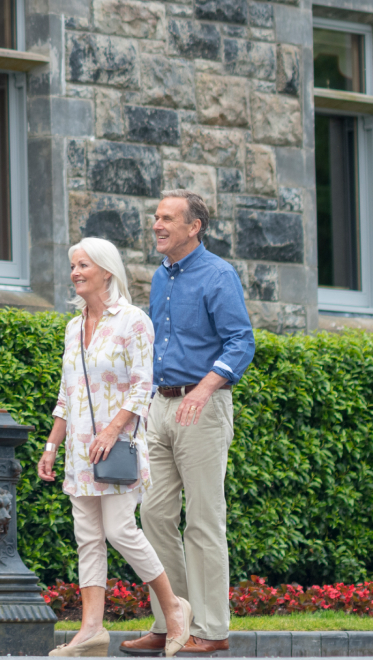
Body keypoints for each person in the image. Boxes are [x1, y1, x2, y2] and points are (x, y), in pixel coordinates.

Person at [38, 237, 191, 657]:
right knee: (87, 536)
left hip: (118, 445)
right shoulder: (73, 326)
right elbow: (67, 393)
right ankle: (91, 629)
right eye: (73, 266)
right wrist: (52, 445)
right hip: (80, 451)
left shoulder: (133, 320)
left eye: (83, 265)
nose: (75, 273)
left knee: (121, 529)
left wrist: (113, 430)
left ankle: (174, 608)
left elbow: (145, 385)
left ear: (106, 271)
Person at [118, 191, 254, 658]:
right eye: (155, 216)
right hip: (161, 405)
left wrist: (203, 389)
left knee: (203, 519)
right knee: (153, 515)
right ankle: (172, 620)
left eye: (167, 218)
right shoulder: (160, 277)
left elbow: (241, 342)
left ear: (194, 226)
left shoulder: (218, 275)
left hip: (203, 406)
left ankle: (213, 629)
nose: (157, 224)